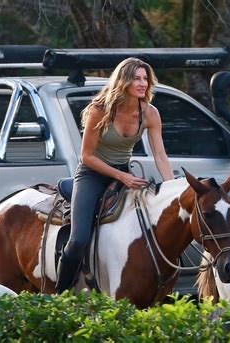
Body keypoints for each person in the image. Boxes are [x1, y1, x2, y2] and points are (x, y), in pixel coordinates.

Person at [55, 57, 174, 293]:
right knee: (78, 239)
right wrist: (122, 178)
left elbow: (160, 156)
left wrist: (172, 189)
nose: (143, 84)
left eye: (145, 79)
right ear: (124, 81)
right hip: (92, 174)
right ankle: (59, 293)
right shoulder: (100, 110)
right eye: (137, 79)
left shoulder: (150, 113)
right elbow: (87, 156)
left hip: (124, 172)